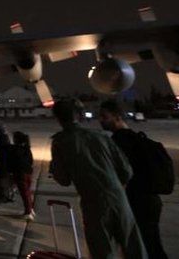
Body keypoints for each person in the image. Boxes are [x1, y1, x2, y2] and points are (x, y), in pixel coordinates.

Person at [50, 98, 146, 259]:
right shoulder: (101, 136)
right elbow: (126, 171)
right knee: (133, 248)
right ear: (80, 116)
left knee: (102, 251)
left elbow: (64, 180)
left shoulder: (60, 142)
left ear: (58, 118)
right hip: (119, 199)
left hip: (93, 203)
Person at [100, 99, 168, 259]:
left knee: (144, 248)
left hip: (136, 202)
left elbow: (117, 176)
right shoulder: (138, 139)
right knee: (151, 245)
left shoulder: (118, 142)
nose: (101, 120)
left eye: (105, 116)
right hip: (151, 200)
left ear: (117, 117)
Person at [8, 131, 35, 220]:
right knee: (28, 192)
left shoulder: (15, 150)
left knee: (24, 193)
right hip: (28, 172)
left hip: (20, 173)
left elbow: (12, 163)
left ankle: (28, 212)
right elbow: (31, 160)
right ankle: (30, 209)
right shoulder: (27, 148)